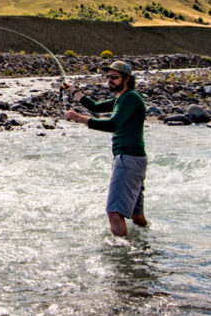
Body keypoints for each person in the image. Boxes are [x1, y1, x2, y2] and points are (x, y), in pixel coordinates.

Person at [63, 60, 148, 236]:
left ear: (126, 79)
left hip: (128, 159)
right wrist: (74, 92)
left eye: (114, 77)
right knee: (136, 215)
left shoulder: (130, 98)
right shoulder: (122, 98)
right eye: (108, 76)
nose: (109, 80)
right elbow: (95, 106)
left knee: (114, 212)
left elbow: (112, 124)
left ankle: (122, 259)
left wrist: (78, 117)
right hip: (135, 159)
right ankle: (147, 244)